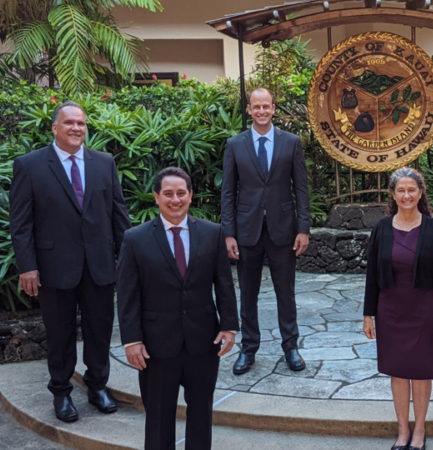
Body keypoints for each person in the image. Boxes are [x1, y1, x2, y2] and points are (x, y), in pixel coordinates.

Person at [10, 101, 130, 423]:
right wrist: (27, 266)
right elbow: (21, 223)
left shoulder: (104, 163)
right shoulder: (30, 165)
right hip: (54, 267)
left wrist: (130, 260)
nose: (76, 128)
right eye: (68, 123)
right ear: (54, 128)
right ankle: (61, 393)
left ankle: (97, 387)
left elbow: (119, 215)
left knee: (100, 330)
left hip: (99, 263)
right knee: (60, 334)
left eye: (81, 123)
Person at [117, 167, 239, 450]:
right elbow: (127, 294)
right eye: (168, 194)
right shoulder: (136, 239)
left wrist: (229, 325)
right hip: (156, 346)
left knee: (201, 415)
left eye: (181, 193)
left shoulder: (212, 233)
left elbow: (224, 284)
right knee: (158, 418)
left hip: (203, 343)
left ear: (190, 196)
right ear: (157, 197)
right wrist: (131, 339)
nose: (175, 200)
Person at [221, 87, 311, 375]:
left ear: (274, 108)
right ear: (249, 109)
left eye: (266, 106)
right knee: (248, 294)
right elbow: (228, 192)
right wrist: (228, 233)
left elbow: (301, 188)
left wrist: (304, 228)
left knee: (286, 292)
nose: (261, 111)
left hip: (283, 230)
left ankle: (291, 347)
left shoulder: (291, 142)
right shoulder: (235, 144)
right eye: (256, 107)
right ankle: (248, 349)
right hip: (246, 232)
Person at [363, 167, 433, 450]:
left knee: (422, 371)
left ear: (421, 193)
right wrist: (368, 314)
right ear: (392, 194)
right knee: (398, 371)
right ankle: (403, 431)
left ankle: (420, 430)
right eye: (401, 190)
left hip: (425, 309)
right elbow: (372, 276)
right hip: (390, 310)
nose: (407, 195)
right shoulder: (381, 228)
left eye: (412, 189)